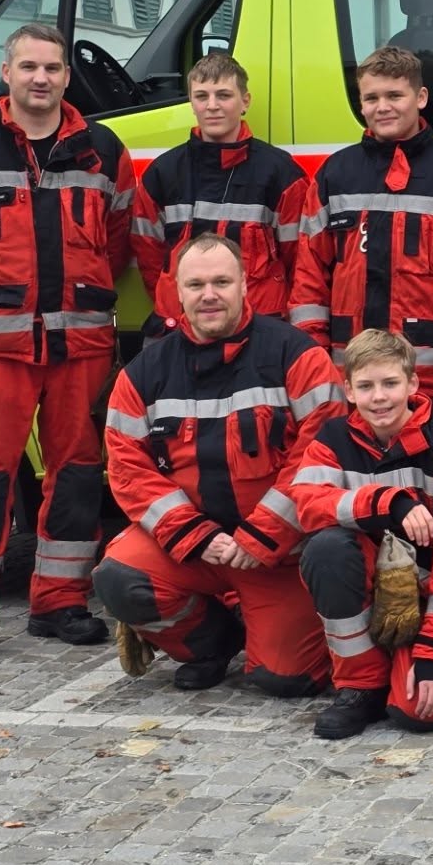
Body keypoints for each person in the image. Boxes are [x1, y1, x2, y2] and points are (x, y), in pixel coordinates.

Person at [0, 22, 134, 667]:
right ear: (6, 73)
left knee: (76, 475)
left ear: (66, 76)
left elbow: (117, 239)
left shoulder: (102, 149)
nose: (41, 78)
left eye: (52, 67)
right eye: (28, 66)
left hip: (79, 345)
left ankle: (60, 602)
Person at [94, 235, 345, 695]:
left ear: (245, 284)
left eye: (221, 282)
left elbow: (322, 455)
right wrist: (197, 536)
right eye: (196, 285)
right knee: (119, 578)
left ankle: (260, 628)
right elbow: (130, 472)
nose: (209, 295)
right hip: (193, 550)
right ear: (177, 292)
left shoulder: (298, 355)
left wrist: (264, 534)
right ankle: (211, 644)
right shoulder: (143, 374)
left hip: (276, 555)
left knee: (286, 681)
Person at [292, 329, 433, 739]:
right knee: (326, 549)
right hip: (369, 588)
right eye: (366, 386)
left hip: (429, 601)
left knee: (423, 714)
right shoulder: (332, 440)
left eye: (390, 383)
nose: (379, 397)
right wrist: (388, 502)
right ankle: (360, 684)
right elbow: (308, 504)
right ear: (348, 391)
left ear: (413, 383)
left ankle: (413, 661)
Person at [289, 46, 433, 431]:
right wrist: (313, 355)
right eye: (372, 98)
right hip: (354, 375)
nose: (382, 107)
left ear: (420, 97)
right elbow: (309, 277)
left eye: (395, 95)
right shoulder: (335, 173)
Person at [132, 53, 308, 332]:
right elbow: (150, 258)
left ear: (245, 101)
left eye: (223, 95)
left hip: (257, 331)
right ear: (191, 103)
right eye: (202, 96)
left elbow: (299, 262)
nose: (212, 106)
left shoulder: (281, 174)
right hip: (180, 329)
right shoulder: (163, 173)